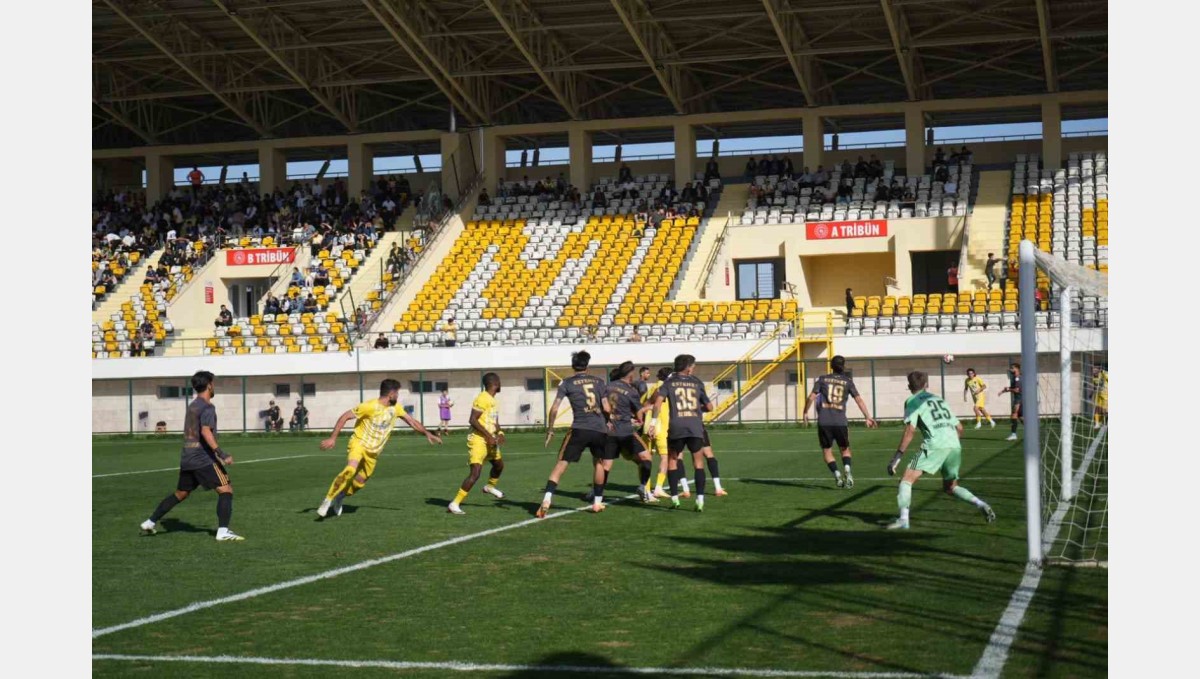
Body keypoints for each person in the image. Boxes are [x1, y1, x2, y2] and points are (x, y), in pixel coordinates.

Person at [138, 371, 244, 541]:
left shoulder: (193, 405)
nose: (213, 386)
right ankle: (223, 532)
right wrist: (222, 453)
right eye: (213, 383)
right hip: (202, 457)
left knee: (181, 493)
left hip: (187, 457)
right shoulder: (207, 407)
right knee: (226, 490)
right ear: (209, 385)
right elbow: (205, 431)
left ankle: (150, 521)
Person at [315, 379, 443, 518]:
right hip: (359, 444)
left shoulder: (396, 408)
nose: (398, 396)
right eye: (397, 393)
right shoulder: (369, 406)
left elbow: (411, 421)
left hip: (373, 453)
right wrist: (333, 438)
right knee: (350, 469)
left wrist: (427, 433)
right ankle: (327, 500)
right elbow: (345, 416)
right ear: (391, 394)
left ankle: (340, 496)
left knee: (359, 483)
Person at [886, 371, 996, 530]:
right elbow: (960, 427)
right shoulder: (939, 399)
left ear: (909, 387)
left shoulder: (911, 401)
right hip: (953, 444)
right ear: (927, 385)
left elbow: (910, 430)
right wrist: (950, 444)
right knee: (951, 487)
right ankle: (981, 504)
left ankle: (904, 519)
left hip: (935, 445)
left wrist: (897, 456)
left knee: (906, 480)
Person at [538, 351, 611, 517]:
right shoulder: (599, 382)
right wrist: (607, 421)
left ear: (573, 366)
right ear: (587, 365)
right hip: (598, 429)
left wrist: (550, 429)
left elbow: (555, 407)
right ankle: (597, 503)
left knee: (562, 463)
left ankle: (547, 499)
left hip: (579, 428)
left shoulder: (566, 383)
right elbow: (606, 408)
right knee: (599, 463)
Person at [649, 354, 724, 511]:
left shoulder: (669, 382)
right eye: (693, 366)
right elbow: (710, 407)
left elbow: (657, 404)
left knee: (672, 461)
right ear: (689, 367)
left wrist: (653, 423)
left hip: (677, 426)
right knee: (698, 463)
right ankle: (700, 501)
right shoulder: (696, 382)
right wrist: (697, 410)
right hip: (695, 427)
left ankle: (675, 499)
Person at [802, 355, 878, 488]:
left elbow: (811, 397)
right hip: (840, 421)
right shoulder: (848, 381)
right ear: (844, 366)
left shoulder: (822, 379)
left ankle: (837, 474)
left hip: (824, 421)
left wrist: (805, 412)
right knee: (845, 449)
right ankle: (847, 469)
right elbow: (858, 400)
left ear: (831, 366)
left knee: (827, 451)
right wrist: (867, 416)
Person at [592, 362, 656, 504]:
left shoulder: (605, 387)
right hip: (626, 432)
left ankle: (597, 494)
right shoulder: (631, 390)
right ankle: (642, 487)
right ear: (631, 374)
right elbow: (639, 415)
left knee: (605, 466)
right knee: (646, 459)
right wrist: (644, 412)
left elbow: (600, 407)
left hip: (608, 432)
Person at [447, 373, 506, 514]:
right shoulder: (482, 398)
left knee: (499, 465)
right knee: (475, 473)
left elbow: (494, 421)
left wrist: (500, 433)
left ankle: (490, 487)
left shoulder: (493, 400)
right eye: (500, 381)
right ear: (496, 383)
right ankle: (454, 504)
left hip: (490, 439)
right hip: (479, 440)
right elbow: (472, 420)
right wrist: (488, 436)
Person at [639, 367, 673, 498]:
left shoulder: (652, 387)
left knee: (646, 459)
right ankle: (658, 487)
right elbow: (655, 404)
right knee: (665, 457)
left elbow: (643, 404)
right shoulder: (663, 388)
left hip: (647, 427)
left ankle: (646, 490)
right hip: (659, 427)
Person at [998, 363, 1023, 441]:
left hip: (1019, 399)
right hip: (1020, 398)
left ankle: (1013, 434)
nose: (1011, 369)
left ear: (1017, 369)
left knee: (1014, 415)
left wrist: (1008, 389)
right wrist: (1003, 391)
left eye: (1012, 368)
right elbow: (1013, 388)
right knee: (1020, 417)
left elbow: (1017, 390)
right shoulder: (1015, 378)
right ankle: (1033, 432)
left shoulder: (1017, 378)